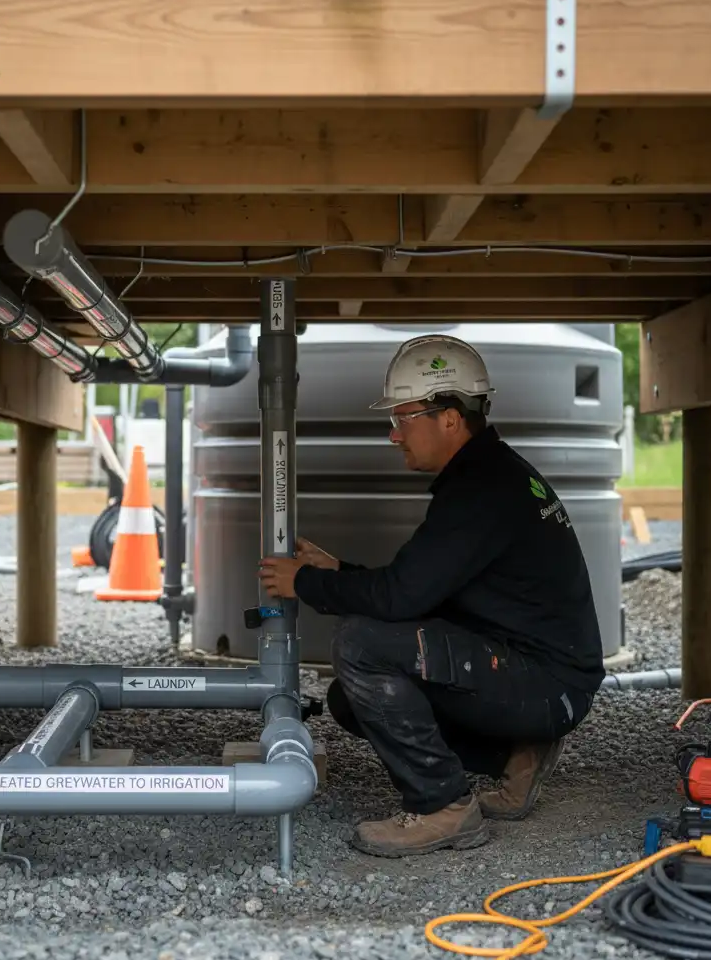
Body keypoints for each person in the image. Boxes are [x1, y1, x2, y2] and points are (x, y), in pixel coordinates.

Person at [258, 334, 604, 858]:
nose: (394, 434)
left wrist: (304, 583)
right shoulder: (492, 475)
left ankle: (442, 806)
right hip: (546, 677)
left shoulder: (481, 492)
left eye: (403, 418)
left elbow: (400, 598)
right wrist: (338, 572)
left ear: (450, 418)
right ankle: (518, 754)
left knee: (360, 644)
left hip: (547, 685)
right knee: (350, 700)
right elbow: (420, 588)